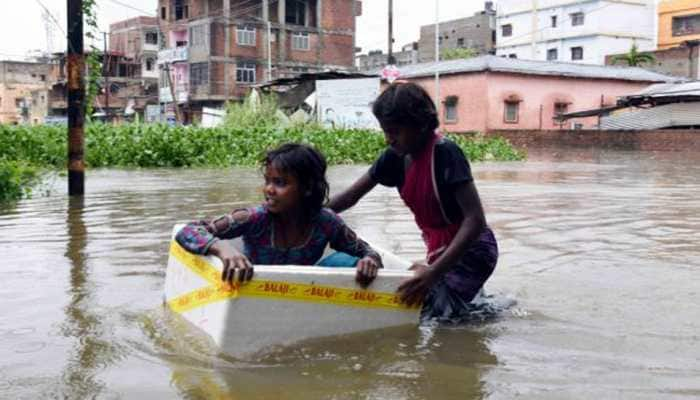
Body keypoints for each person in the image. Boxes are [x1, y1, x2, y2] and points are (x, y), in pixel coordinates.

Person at [328, 82, 498, 321]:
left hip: (472, 250)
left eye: (395, 131)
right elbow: (349, 197)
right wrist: (303, 212)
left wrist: (433, 273)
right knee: (448, 309)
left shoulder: (445, 153)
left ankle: (479, 316)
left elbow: (476, 220)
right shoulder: (393, 158)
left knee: (434, 318)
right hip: (438, 249)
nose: (389, 139)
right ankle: (484, 310)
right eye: (385, 131)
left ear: (420, 124)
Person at [176, 143, 382, 288]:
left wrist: (369, 261)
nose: (269, 190)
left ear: (307, 188)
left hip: (302, 293)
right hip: (255, 290)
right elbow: (188, 230)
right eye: (268, 181)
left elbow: (369, 253)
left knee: (348, 261)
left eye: (280, 183)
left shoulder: (326, 222)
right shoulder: (254, 218)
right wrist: (222, 249)